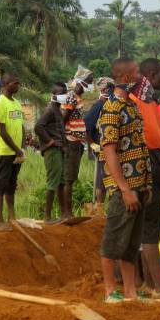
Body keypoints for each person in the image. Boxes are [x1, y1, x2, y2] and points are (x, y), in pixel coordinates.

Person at [99, 58, 153, 303]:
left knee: (131, 245)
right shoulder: (111, 108)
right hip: (124, 189)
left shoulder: (132, 106)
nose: (141, 77)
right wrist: (125, 189)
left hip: (139, 186)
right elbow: (109, 151)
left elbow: (140, 146)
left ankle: (130, 292)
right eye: (137, 73)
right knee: (113, 241)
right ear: (128, 78)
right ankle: (110, 291)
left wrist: (146, 185)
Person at [131, 58, 160, 297]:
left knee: (147, 231)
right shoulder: (134, 102)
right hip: (144, 173)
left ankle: (148, 284)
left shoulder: (149, 101)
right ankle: (157, 286)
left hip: (155, 172)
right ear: (151, 74)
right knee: (148, 232)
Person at [62, 65, 93, 220]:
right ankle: (67, 213)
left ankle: (68, 212)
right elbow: (63, 118)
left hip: (77, 142)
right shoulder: (72, 97)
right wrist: (63, 139)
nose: (90, 86)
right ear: (80, 82)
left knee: (72, 177)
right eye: (88, 82)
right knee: (69, 177)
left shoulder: (78, 98)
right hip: (71, 141)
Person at [34, 82, 68, 224]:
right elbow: (38, 127)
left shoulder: (57, 110)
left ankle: (63, 214)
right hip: (52, 151)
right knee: (53, 182)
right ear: (54, 96)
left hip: (58, 150)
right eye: (61, 93)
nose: (64, 96)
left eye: (65, 93)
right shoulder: (50, 110)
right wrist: (50, 142)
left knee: (60, 182)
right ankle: (47, 217)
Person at [0, 74, 24, 230]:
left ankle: (11, 216)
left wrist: (21, 148)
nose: (18, 86)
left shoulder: (18, 103)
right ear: (6, 84)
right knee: (1, 183)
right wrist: (16, 149)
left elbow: (20, 127)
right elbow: (2, 131)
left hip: (17, 152)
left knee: (12, 183)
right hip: (5, 150)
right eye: (16, 83)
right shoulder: (0, 103)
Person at [83, 77, 115, 214]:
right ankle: (99, 210)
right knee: (101, 182)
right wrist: (92, 144)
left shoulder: (115, 104)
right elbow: (84, 126)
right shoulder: (100, 105)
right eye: (102, 89)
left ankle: (110, 210)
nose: (104, 91)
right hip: (102, 148)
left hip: (115, 149)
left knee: (113, 181)